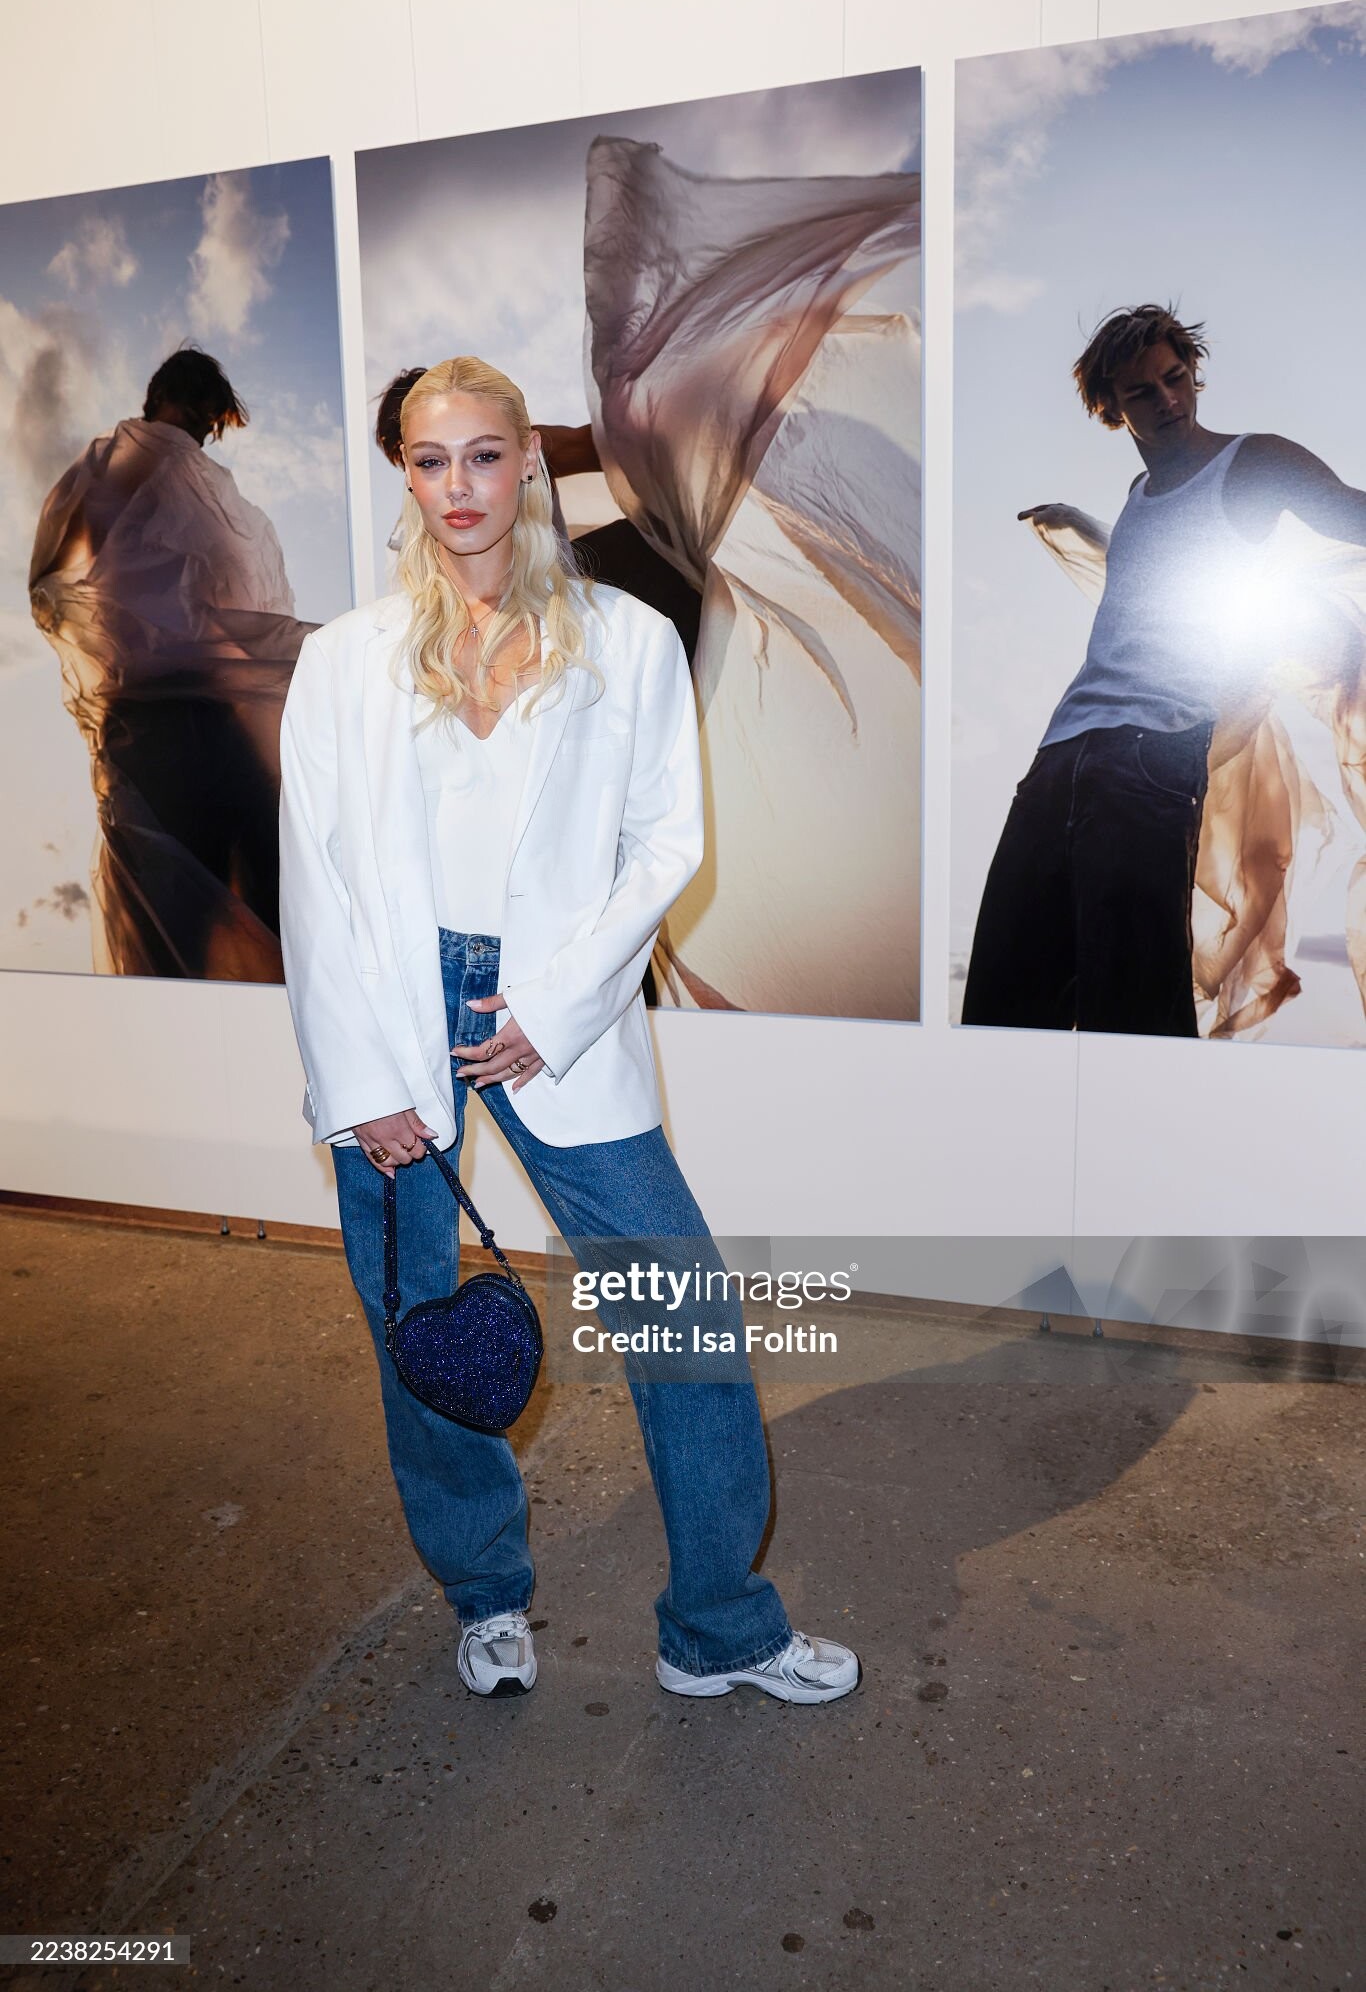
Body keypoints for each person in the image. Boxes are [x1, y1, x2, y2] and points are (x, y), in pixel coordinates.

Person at [279, 355, 859, 1706]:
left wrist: (551, 1010)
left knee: (684, 1316)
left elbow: (664, 848)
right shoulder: (343, 660)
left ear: (530, 461)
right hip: (391, 1008)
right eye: (430, 460)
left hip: (559, 1005)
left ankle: (719, 1624)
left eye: (484, 455)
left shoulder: (628, 640)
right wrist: (361, 1076)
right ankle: (485, 1594)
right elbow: (316, 876)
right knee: (421, 1330)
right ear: (405, 475)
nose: (459, 487)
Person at [962, 302, 1366, 1036]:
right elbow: (1154, 587)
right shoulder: (1137, 497)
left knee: (1135, 1014)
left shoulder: (1254, 463)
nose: (1169, 400)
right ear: (1111, 408)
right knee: (1002, 1005)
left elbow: (1352, 513)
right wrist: (1084, 527)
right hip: (1058, 758)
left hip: (1151, 762)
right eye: (1142, 392)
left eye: (1176, 378)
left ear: (1193, 373)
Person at [28, 346, 308, 979]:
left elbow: (237, 594)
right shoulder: (123, 467)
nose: (202, 437)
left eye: (209, 428)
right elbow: (55, 576)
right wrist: (116, 634)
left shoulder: (191, 485)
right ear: (168, 400)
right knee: (179, 904)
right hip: (152, 721)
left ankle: (272, 1017)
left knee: (262, 879)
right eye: (200, 418)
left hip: (203, 712)